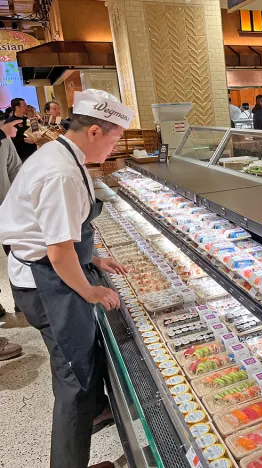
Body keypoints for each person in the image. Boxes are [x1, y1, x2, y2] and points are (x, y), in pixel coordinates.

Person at [0, 89, 133, 468]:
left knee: (79, 366)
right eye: (115, 137)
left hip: (44, 272)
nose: (114, 146)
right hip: (46, 283)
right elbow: (58, 252)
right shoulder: (61, 173)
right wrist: (90, 290)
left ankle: (96, 413)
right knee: (74, 379)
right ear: (94, 131)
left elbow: (61, 232)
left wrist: (93, 258)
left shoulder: (60, 154)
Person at [0, 119, 22, 327]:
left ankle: (22, 299)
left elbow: (14, 168)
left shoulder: (4, 137)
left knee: (16, 251)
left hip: (5, 206)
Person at [5, 98, 37, 162]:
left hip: (35, 151)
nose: (26, 107)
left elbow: (35, 130)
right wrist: (25, 140)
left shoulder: (28, 119)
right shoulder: (10, 122)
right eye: (24, 106)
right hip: (22, 155)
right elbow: (11, 140)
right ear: (17, 107)